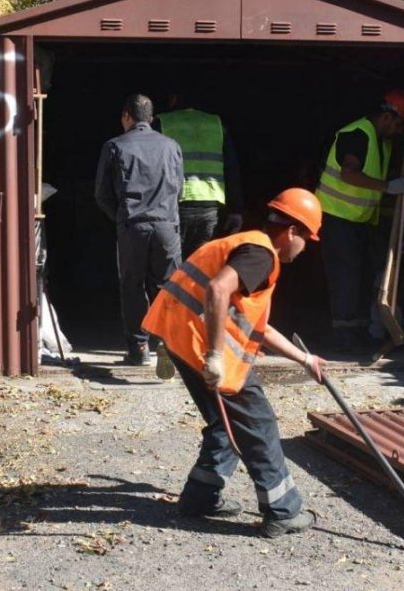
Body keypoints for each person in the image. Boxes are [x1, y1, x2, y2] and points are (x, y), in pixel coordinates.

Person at [142, 188, 327, 538]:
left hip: (181, 339)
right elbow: (216, 289)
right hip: (202, 349)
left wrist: (305, 359)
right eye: (306, 239)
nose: (304, 249)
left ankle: (201, 497)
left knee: (223, 424)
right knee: (258, 423)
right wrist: (214, 356)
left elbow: (261, 327)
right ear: (292, 232)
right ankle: (282, 510)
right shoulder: (261, 255)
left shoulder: (249, 247)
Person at [315, 89, 404, 349]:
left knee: (359, 274)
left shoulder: (382, 141)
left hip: (358, 220)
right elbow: (348, 174)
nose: (398, 131)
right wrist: (388, 187)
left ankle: (357, 331)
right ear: (386, 116)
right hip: (335, 216)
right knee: (345, 276)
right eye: (399, 125)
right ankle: (342, 336)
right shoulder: (357, 134)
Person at [95, 93, 183, 366]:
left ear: (126, 117)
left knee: (132, 286)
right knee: (167, 287)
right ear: (152, 119)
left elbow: (101, 194)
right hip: (166, 226)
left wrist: (120, 217)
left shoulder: (114, 146)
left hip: (133, 226)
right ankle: (170, 343)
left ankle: (140, 349)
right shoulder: (172, 146)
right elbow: (179, 188)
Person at [157, 94, 243, 258]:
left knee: (171, 267)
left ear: (173, 99)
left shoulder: (162, 123)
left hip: (174, 205)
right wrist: (236, 209)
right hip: (211, 206)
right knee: (201, 265)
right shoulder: (216, 124)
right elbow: (232, 168)